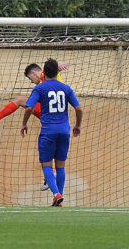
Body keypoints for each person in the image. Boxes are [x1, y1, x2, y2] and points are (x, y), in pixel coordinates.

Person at [0, 61, 68, 191]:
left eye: (29, 78)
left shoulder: (45, 76)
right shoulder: (44, 84)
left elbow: (53, 69)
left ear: (33, 73)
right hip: (58, 120)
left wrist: (58, 64)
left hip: (51, 115)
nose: (31, 82)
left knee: (20, 100)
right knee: (52, 150)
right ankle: (50, 178)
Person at [20, 58, 82, 206]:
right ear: (56, 72)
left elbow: (29, 107)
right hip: (64, 131)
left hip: (48, 131)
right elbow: (78, 109)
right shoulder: (66, 88)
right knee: (60, 165)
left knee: (46, 164)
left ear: (43, 72)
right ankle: (59, 200)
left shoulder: (39, 88)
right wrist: (77, 125)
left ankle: (56, 194)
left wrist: (24, 124)